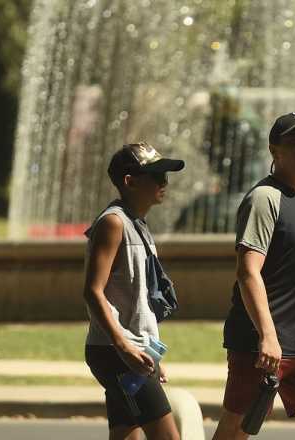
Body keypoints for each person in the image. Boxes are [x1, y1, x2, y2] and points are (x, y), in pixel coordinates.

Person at [212, 112, 295, 440]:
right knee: (235, 431)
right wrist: (267, 336)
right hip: (261, 346)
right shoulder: (265, 198)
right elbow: (248, 272)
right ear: (275, 151)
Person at [83, 142, 185, 440]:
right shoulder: (113, 223)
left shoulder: (136, 223)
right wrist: (124, 346)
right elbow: (92, 291)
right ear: (130, 181)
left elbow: (138, 300)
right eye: (156, 175)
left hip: (135, 351)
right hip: (117, 353)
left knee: (127, 434)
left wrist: (152, 351)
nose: (164, 182)